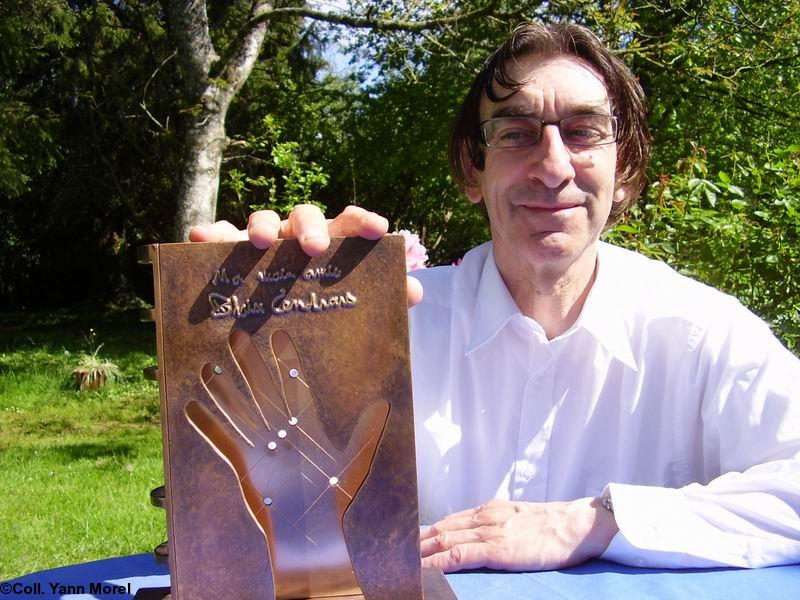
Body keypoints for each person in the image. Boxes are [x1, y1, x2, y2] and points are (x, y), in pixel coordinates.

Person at [190, 22, 800, 574]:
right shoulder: (387, 328)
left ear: (629, 172)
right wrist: (231, 319)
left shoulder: (702, 333)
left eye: (585, 131)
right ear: (470, 170)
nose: (553, 165)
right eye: (517, 132)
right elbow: (262, 518)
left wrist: (598, 521)